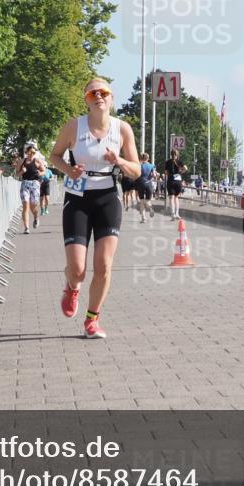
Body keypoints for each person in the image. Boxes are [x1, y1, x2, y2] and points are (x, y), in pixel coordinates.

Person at [49, 78, 140, 339]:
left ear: (111, 98)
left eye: (103, 92)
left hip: (107, 198)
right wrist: (69, 170)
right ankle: (72, 287)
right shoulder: (74, 127)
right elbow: (54, 155)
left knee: (103, 266)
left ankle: (92, 320)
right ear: (86, 100)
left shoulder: (122, 129)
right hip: (78, 198)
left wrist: (118, 160)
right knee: (78, 269)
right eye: (92, 94)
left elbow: (136, 170)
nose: (98, 96)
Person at [15, 143, 45, 234]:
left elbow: (44, 171)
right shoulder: (22, 161)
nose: (32, 154)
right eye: (30, 152)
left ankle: (36, 217)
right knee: (25, 206)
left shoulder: (37, 161)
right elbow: (16, 174)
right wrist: (22, 171)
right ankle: (26, 228)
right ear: (27, 152)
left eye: (34, 152)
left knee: (33, 206)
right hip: (25, 184)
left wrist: (40, 173)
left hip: (35, 184)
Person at [164, 149, 186, 220]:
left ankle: (173, 214)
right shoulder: (180, 162)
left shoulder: (167, 162)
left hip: (170, 180)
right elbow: (185, 168)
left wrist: (170, 174)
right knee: (176, 197)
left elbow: (166, 172)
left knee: (171, 198)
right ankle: (177, 214)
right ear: (177, 155)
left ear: (171, 154)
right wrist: (181, 172)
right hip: (178, 181)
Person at [136, 153, 156, 223]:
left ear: (142, 158)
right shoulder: (151, 165)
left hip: (141, 183)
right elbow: (154, 175)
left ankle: (143, 218)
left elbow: (136, 174)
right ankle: (150, 207)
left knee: (141, 201)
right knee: (148, 200)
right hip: (149, 184)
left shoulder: (139, 165)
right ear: (148, 158)